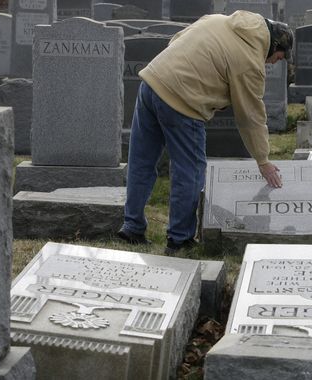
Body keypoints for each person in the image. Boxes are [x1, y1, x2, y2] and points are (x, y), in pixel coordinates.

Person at [118, 11, 293, 255]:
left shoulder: (217, 20)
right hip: (183, 101)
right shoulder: (250, 61)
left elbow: (176, 40)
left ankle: (132, 226)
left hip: (151, 82)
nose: (274, 62)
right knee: (190, 170)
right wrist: (263, 160)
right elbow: (251, 116)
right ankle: (180, 239)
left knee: (141, 161)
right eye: (279, 57)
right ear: (273, 45)